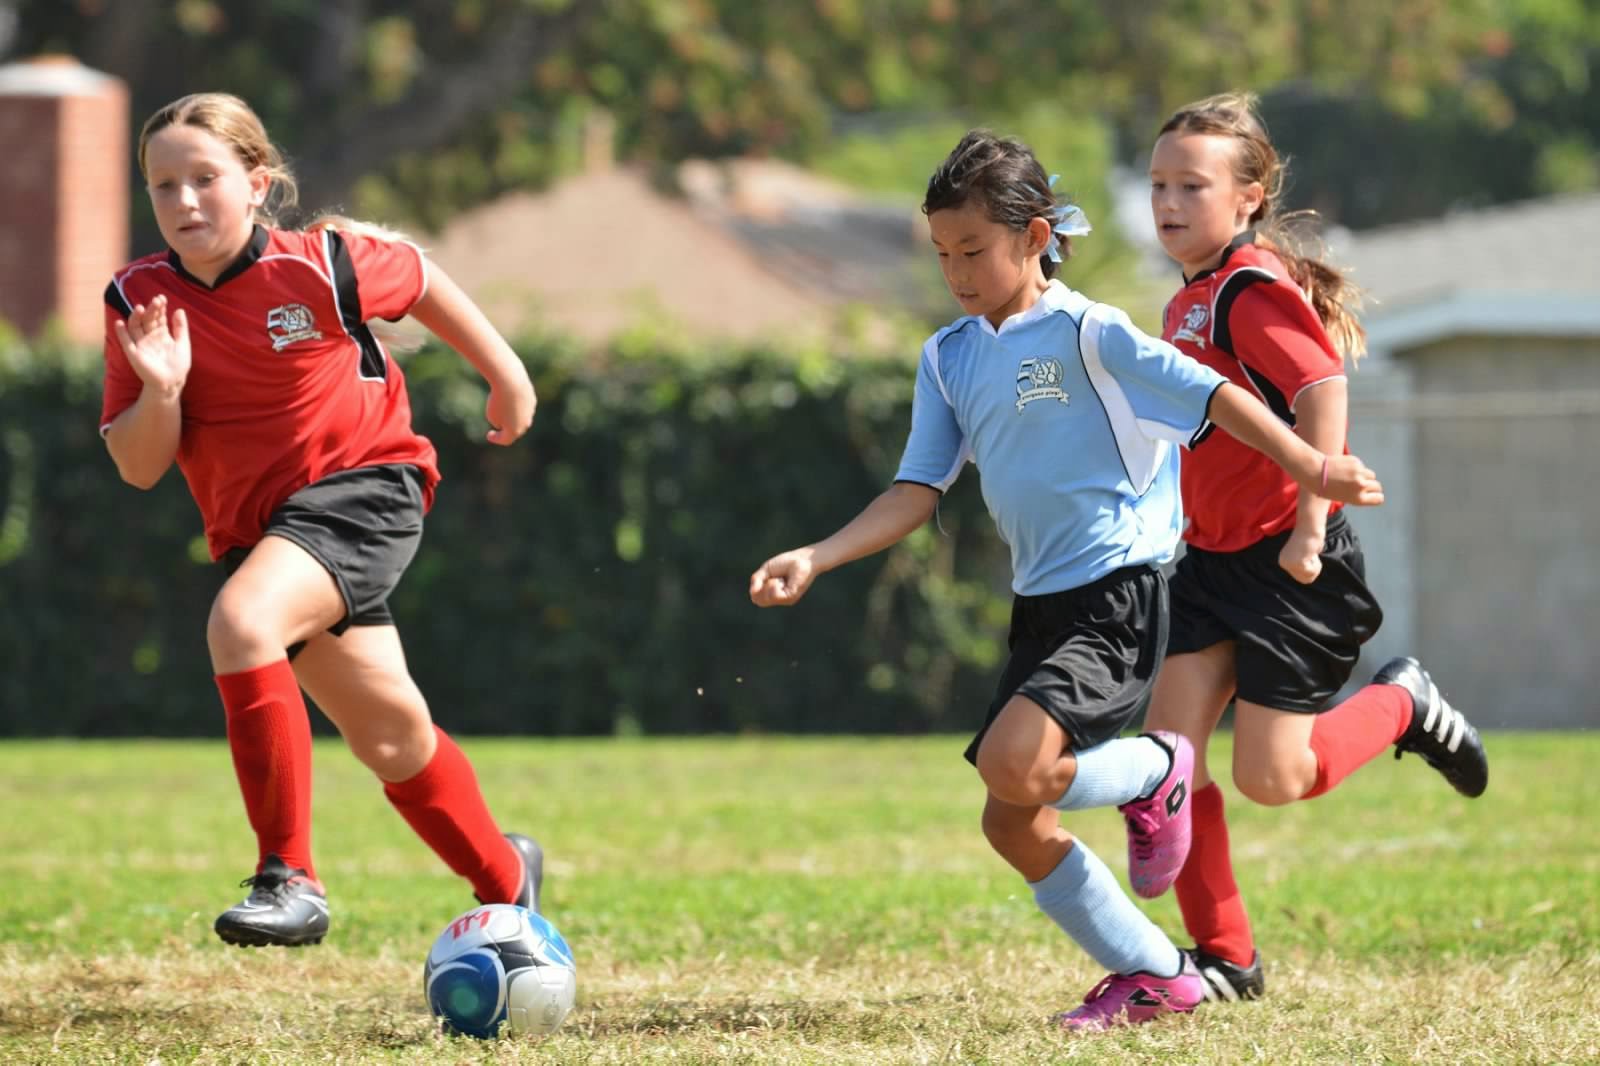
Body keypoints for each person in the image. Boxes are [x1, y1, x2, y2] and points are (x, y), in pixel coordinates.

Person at [748, 129, 1384, 1032]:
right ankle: (1159, 972)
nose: (957, 271)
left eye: (973, 250)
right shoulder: (950, 356)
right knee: (1010, 820)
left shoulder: (1090, 333)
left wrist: (1312, 467)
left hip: (1121, 596)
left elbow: (1215, 396)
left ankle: (1160, 769)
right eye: (942, 254)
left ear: (1036, 234)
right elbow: (916, 490)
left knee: (1018, 765)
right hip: (1042, 607)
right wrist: (816, 555)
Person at [100, 92, 545, 948]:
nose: (185, 201)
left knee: (241, 622)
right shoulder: (139, 301)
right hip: (264, 535)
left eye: (205, 178)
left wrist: (507, 374)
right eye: (163, 186)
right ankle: (509, 880)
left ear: (258, 184)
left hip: (368, 490)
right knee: (391, 734)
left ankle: (288, 877)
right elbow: (139, 464)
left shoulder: (325, 263)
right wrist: (161, 388)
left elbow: (418, 275)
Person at [1142, 91, 1489, 1002]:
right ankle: (1227, 957)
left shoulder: (1249, 285)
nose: (1169, 202)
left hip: (1289, 565)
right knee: (1166, 763)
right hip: (1209, 564)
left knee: (1273, 778)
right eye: (1158, 184)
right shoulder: (1190, 297)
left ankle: (1403, 705)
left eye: (1193, 185)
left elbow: (1322, 390)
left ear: (1250, 197)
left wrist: (1305, 524)